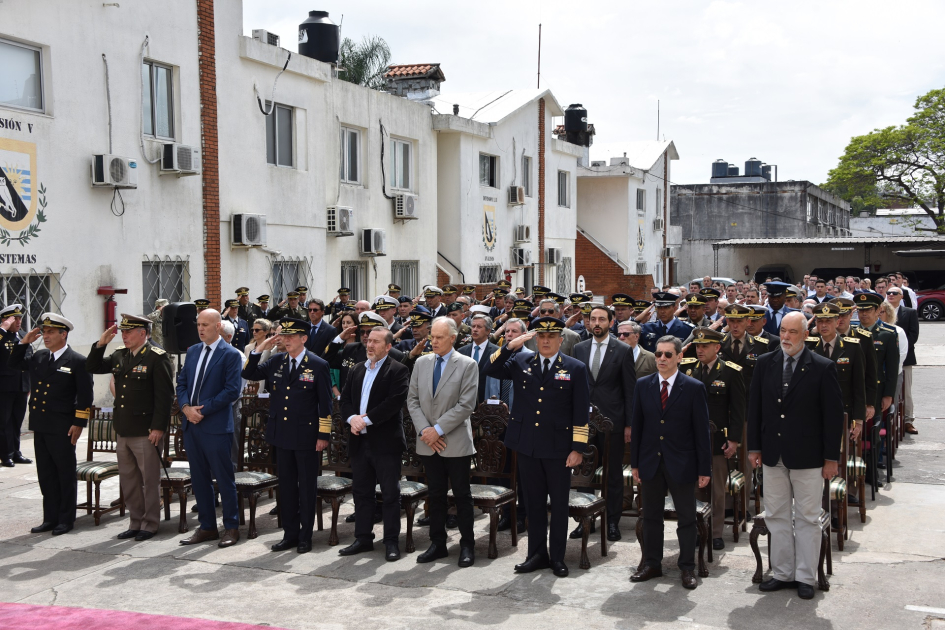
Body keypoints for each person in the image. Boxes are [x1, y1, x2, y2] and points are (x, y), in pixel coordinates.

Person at [484, 317, 591, 578]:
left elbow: (581, 412)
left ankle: (557, 557)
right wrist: (511, 345)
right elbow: (490, 368)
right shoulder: (521, 361)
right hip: (527, 445)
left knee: (559, 504)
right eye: (541, 336)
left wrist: (578, 448)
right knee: (532, 503)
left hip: (558, 448)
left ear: (560, 339)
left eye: (551, 336)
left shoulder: (575, 368)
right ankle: (536, 554)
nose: (545, 341)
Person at [747, 311, 843, 601]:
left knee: (807, 518)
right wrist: (754, 448)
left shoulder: (822, 367)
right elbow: (756, 408)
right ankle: (782, 573)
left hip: (809, 457)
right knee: (776, 515)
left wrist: (831, 458)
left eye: (793, 332)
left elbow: (833, 417)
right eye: (784, 331)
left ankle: (805, 576)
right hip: (773, 456)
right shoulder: (765, 363)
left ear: (805, 334)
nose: (786, 337)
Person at [242, 317, 333, 553]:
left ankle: (305, 537)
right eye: (284, 336)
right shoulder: (275, 362)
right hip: (281, 435)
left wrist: (323, 434)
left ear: (304, 339)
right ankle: (290, 534)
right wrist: (260, 347)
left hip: (307, 436)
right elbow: (249, 373)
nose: (286, 340)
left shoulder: (318, 364)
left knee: (306, 488)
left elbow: (326, 404)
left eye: (292, 336)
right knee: (287, 488)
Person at [629, 336, 711, 590]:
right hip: (651, 462)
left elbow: (701, 432)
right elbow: (638, 428)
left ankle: (687, 568)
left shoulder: (694, 387)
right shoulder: (643, 385)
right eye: (658, 354)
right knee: (651, 516)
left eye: (667, 355)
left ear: (678, 357)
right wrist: (635, 464)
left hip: (682, 463)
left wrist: (704, 468)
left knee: (686, 518)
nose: (661, 359)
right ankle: (652, 564)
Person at [86, 314, 173, 541]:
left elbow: (164, 398)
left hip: (146, 430)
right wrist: (101, 343)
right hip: (124, 428)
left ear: (142, 334)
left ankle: (150, 523)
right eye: (122, 332)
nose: (124, 336)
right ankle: (135, 521)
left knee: (149, 480)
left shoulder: (157, 357)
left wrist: (158, 428)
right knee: (129, 479)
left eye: (128, 332)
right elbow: (92, 365)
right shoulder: (119, 355)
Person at [10, 313, 93, 535]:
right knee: (46, 474)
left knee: (64, 474)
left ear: (63, 334)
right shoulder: (40, 356)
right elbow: (13, 363)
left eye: (50, 332)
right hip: (41, 424)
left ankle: (66, 519)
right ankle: (50, 517)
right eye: (44, 332)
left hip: (63, 426)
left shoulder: (77, 361)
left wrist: (78, 423)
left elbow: (85, 397)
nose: (45, 336)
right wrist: (23, 342)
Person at [407, 317, 479, 567]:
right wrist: (426, 430)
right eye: (431, 336)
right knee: (435, 494)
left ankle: (467, 545)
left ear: (453, 338)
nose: (433, 341)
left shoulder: (467, 364)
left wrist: (437, 429)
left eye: (438, 337)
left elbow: (466, 405)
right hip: (428, 440)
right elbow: (412, 400)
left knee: (461, 494)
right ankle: (437, 543)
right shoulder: (422, 362)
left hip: (455, 441)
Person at [338, 327, 410, 561]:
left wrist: (364, 420)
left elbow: (393, 403)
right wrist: (352, 419)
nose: (369, 345)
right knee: (362, 493)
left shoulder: (398, 370)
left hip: (385, 442)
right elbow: (345, 399)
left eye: (376, 342)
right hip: (360, 442)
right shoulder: (357, 369)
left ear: (388, 347)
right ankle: (363, 538)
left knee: (390, 494)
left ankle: (390, 541)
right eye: (368, 341)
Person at [176, 309, 244, 548]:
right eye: (198, 324)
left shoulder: (230, 355)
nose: (200, 329)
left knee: (224, 479)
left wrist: (200, 411)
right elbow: (182, 382)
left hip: (214, 426)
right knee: (199, 478)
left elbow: (231, 391)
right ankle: (207, 527)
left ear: (218, 327)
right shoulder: (193, 351)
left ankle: (231, 527)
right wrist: (185, 408)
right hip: (191, 425)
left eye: (205, 324)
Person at [572, 305, 636, 542]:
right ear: (588, 322)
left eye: (601, 319)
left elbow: (630, 391)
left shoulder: (622, 350)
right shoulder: (578, 348)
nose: (596, 323)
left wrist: (629, 425)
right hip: (583, 422)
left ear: (611, 322)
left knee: (612, 475)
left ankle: (612, 521)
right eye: (592, 319)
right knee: (583, 473)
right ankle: (584, 520)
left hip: (613, 423)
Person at [684, 327, 745, 551]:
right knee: (694, 488)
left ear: (717, 348)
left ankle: (716, 532)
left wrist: (734, 440)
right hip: (691, 441)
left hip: (718, 440)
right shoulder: (689, 370)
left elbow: (738, 411)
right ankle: (697, 529)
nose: (700, 350)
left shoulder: (730, 371)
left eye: (705, 346)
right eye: (698, 346)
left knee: (717, 489)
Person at [0, 304, 32, 467]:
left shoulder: (22, 335)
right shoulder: (1, 336)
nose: (19, 321)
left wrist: (29, 384)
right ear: (6, 320)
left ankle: (16, 452)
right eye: (15, 318)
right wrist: (2, 330)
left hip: (21, 385)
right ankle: (5, 454)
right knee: (4, 422)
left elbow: (28, 360)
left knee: (17, 420)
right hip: (4, 386)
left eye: (20, 318)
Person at [886, 286, 919, 434]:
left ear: (901, 296)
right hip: (884, 360)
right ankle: (889, 421)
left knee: (906, 392)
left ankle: (907, 420)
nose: (891, 295)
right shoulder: (882, 309)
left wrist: (899, 349)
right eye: (889, 293)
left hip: (905, 358)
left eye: (894, 293)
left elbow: (913, 335)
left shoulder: (910, 312)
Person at [458, 314, 500, 403]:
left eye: (479, 327)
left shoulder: (497, 352)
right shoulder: (461, 352)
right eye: (473, 326)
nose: (475, 329)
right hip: (464, 401)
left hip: (486, 401)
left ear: (488, 331)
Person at [244, 319, 274, 391]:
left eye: (257, 330)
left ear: (266, 332)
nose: (254, 332)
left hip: (264, 384)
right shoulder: (248, 347)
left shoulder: (272, 347)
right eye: (252, 330)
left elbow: (262, 363)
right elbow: (246, 367)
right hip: (249, 385)